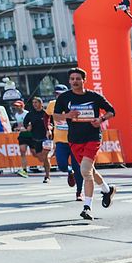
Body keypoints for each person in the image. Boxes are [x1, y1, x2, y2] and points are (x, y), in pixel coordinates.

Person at [52, 68, 116, 220]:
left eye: (78, 79)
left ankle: (87, 207)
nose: (75, 81)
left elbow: (111, 111)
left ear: (83, 80)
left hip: (92, 137)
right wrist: (67, 115)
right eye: (72, 79)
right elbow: (55, 116)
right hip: (74, 139)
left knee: (85, 172)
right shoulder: (64, 98)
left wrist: (100, 120)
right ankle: (108, 190)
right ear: (69, 81)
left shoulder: (93, 96)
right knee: (90, 171)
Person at [47, 84, 80, 195]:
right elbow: (46, 116)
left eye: (60, 94)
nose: (58, 96)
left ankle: (79, 192)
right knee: (61, 165)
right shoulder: (52, 104)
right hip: (60, 140)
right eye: (56, 94)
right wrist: (48, 127)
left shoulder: (74, 103)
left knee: (78, 168)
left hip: (75, 139)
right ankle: (69, 171)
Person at [19, 96, 52, 182]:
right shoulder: (30, 114)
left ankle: (47, 176)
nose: (34, 104)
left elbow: (52, 122)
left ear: (41, 103)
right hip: (36, 138)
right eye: (33, 103)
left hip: (46, 138)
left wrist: (50, 128)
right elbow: (25, 122)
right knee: (41, 158)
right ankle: (48, 162)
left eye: (36, 102)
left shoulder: (46, 113)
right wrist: (27, 127)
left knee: (45, 156)